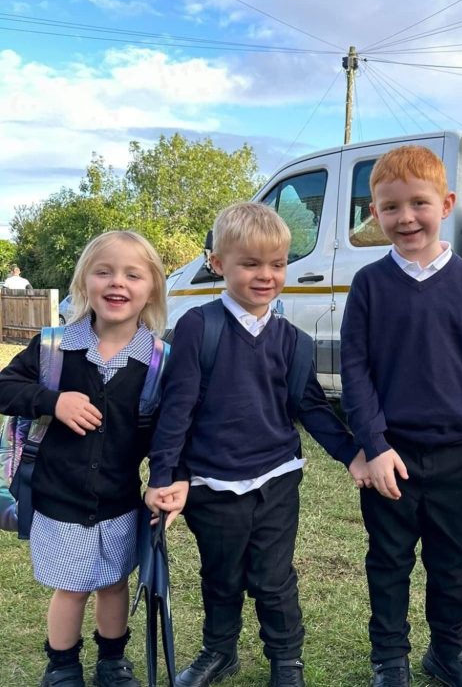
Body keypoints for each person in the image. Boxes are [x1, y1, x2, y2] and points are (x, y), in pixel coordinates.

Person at [145, 202, 366, 687]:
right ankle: (219, 652)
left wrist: (353, 453)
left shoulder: (294, 340)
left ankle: (287, 660)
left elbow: (309, 407)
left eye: (278, 264)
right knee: (220, 576)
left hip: (275, 480)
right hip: (211, 482)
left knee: (273, 578)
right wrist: (163, 477)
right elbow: (176, 410)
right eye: (250, 264)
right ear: (218, 264)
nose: (266, 276)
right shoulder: (197, 328)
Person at [340, 145, 462, 687]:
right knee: (389, 561)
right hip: (391, 458)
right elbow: (354, 372)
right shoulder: (369, 286)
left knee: (450, 562)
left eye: (419, 203)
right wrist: (374, 445)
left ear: (446, 203)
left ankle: (448, 655)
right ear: (375, 214)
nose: (406, 218)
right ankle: (390, 661)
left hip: (453, 454)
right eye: (390, 207)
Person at [0, 231, 180, 687]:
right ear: (85, 281)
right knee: (72, 588)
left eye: (132, 274)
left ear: (153, 288)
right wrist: (51, 401)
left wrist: (169, 481)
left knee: (115, 583)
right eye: (104, 271)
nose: (117, 283)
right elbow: (4, 387)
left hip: (119, 501)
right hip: (58, 499)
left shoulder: (159, 361)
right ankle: (61, 666)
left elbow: (170, 433)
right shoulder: (54, 347)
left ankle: (112, 662)